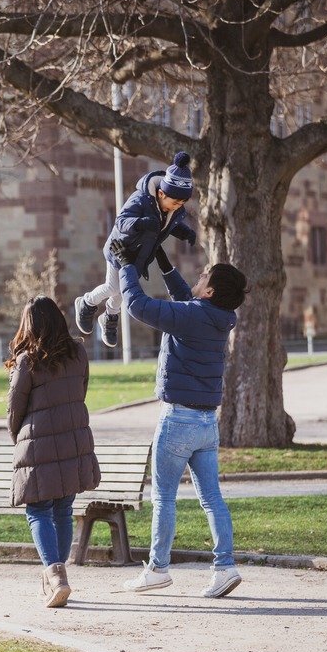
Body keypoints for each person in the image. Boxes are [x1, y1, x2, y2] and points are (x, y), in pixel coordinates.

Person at [110, 240, 248, 598]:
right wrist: (164, 265)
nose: (199, 276)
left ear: (212, 290)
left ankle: (157, 568)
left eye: (204, 276)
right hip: (207, 424)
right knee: (212, 498)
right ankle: (225, 567)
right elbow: (189, 301)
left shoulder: (193, 316)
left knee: (165, 498)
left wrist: (126, 266)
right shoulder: (220, 318)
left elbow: (139, 307)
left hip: (177, 421)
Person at [5, 295, 102, 608]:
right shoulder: (78, 353)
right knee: (62, 509)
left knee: (37, 510)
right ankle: (56, 578)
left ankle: (55, 576)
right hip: (73, 441)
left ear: (29, 325)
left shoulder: (26, 361)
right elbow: (80, 392)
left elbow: (14, 409)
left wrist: (17, 436)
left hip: (39, 443)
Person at [74, 151, 197, 348]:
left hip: (140, 257)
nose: (176, 208)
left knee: (123, 292)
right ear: (161, 193)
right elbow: (121, 222)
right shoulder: (140, 199)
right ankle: (87, 301)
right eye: (174, 203)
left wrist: (185, 232)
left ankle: (109, 318)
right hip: (120, 249)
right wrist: (140, 223)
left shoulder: (172, 208)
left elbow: (170, 224)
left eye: (181, 204)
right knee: (113, 287)